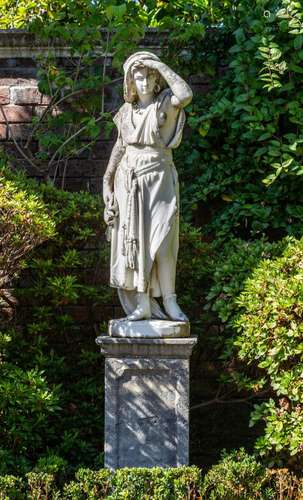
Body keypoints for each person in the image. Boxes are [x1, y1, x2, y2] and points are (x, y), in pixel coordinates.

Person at [103, 51, 192, 321]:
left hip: (159, 179)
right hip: (128, 183)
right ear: (130, 82)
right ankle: (142, 302)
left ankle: (170, 300)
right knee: (135, 245)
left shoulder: (164, 104)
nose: (142, 82)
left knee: (164, 242)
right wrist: (107, 180)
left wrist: (158, 65)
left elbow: (185, 95)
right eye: (138, 77)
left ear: (156, 81)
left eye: (148, 77)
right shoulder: (125, 112)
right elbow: (120, 148)